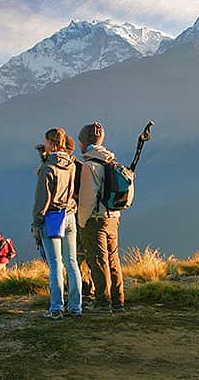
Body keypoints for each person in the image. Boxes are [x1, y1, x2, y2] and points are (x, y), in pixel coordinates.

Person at [76, 122, 124, 314]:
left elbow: (88, 197)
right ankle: (118, 301)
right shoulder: (111, 162)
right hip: (113, 216)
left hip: (95, 219)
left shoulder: (90, 165)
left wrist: (82, 221)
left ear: (85, 142)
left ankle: (103, 303)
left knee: (97, 260)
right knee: (113, 259)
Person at [34, 127, 81, 320]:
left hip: (52, 217)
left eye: (45, 141)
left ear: (50, 143)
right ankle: (76, 307)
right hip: (69, 214)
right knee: (72, 262)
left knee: (55, 264)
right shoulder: (71, 164)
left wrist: (36, 224)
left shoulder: (48, 168)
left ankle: (56, 308)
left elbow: (41, 200)